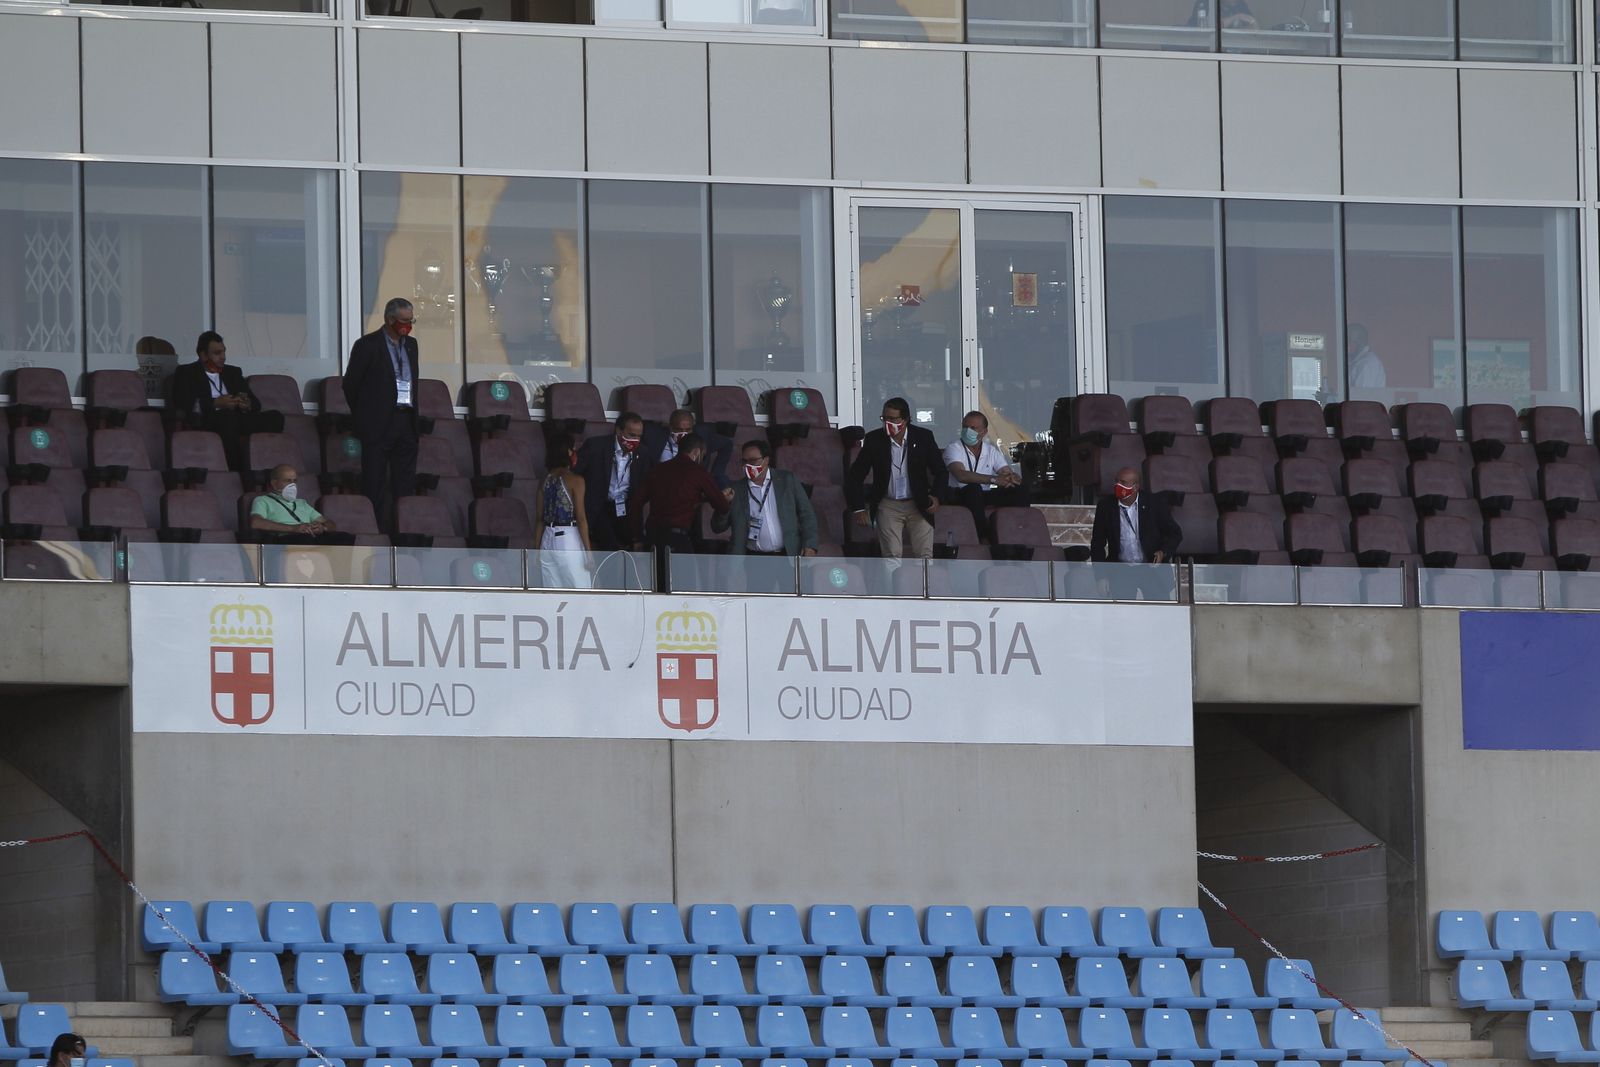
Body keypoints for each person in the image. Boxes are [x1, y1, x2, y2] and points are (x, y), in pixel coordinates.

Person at [343, 298, 420, 524]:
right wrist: (365, 416)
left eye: (411, 320)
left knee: (404, 482)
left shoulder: (412, 345)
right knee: (374, 481)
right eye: (404, 320)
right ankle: (376, 531)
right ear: (389, 319)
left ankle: (403, 529)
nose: (408, 325)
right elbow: (351, 385)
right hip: (377, 424)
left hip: (406, 419)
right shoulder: (367, 344)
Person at [846, 397, 947, 562]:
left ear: (905, 419)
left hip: (918, 503)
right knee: (891, 555)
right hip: (888, 504)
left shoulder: (923, 437)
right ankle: (893, 588)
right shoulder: (874, 439)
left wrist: (937, 497)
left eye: (893, 419)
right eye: (884, 418)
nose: (888, 422)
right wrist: (858, 508)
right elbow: (855, 476)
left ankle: (924, 588)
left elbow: (941, 472)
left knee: (925, 556)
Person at [169, 331, 273, 472]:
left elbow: (256, 404)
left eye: (224, 352)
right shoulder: (187, 372)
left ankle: (270, 470)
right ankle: (236, 471)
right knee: (226, 418)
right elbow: (184, 402)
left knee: (276, 417)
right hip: (208, 419)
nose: (223, 357)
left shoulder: (233, 372)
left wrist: (246, 405)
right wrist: (215, 403)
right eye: (217, 353)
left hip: (238, 417)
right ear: (203, 355)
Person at [630, 433, 733, 574]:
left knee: (656, 587)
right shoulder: (698, 472)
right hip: (677, 539)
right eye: (703, 455)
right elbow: (722, 505)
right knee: (682, 586)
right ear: (697, 452)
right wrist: (723, 498)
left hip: (652, 537)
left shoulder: (657, 470)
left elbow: (636, 503)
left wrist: (638, 537)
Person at [1089, 466, 1183, 600]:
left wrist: (1163, 552)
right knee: (1123, 613)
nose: (1118, 485)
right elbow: (1097, 543)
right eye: (1116, 481)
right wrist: (1100, 576)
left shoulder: (1154, 503)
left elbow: (1175, 534)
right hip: (1121, 569)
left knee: (1159, 611)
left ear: (1135, 487)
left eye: (1123, 482)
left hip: (1151, 568)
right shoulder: (1106, 506)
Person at [717, 439, 819, 557]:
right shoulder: (735, 490)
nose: (747, 465)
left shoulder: (787, 480)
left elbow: (807, 514)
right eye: (744, 461)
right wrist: (724, 504)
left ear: (766, 460)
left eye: (753, 461)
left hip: (788, 554)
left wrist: (810, 545)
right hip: (754, 558)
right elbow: (718, 528)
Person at [943, 410, 1030, 541]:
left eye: (973, 428)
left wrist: (1012, 477)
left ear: (984, 432)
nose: (967, 431)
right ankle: (982, 537)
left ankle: (1019, 534)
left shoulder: (990, 450)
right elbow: (960, 475)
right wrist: (994, 480)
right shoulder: (954, 448)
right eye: (965, 427)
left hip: (983, 496)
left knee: (1019, 491)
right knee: (974, 489)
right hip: (960, 494)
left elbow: (1005, 472)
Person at [575, 412, 652, 551]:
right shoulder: (595, 446)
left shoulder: (643, 453)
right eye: (631, 435)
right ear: (618, 430)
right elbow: (573, 474)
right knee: (609, 543)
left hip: (624, 507)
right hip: (598, 506)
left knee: (636, 544)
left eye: (639, 436)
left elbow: (641, 488)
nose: (635, 440)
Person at [532, 431, 593, 589]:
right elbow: (581, 518)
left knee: (552, 591)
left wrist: (536, 551)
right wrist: (589, 552)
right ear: (568, 452)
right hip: (567, 538)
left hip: (547, 537)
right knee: (580, 589)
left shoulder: (544, 480)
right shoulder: (575, 480)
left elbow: (539, 519)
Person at [642, 408, 735, 489]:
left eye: (688, 430)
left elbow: (727, 444)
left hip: (691, 488)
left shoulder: (702, 435)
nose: (684, 434)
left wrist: (716, 473)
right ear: (670, 427)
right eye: (679, 429)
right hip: (663, 487)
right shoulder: (653, 436)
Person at [249, 464, 337, 541]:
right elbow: (256, 523)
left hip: (310, 537)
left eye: (294, 481)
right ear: (274, 483)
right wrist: (293, 528)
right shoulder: (263, 500)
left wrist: (322, 527)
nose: (292, 485)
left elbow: (331, 524)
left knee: (344, 537)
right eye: (287, 481)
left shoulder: (302, 503)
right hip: (286, 539)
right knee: (306, 540)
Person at [1348, 324, 1387, 390]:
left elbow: (1362, 397)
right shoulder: (1360, 362)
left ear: (1360, 341)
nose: (1346, 344)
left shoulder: (1367, 364)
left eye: (1349, 340)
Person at [1189, 0, 1255, 27]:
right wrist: (1236, 17)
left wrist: (1251, 23)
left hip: (1233, 46)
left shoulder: (1240, 4)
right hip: (1200, 46)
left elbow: (1255, 25)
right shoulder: (1205, 3)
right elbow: (1213, 27)